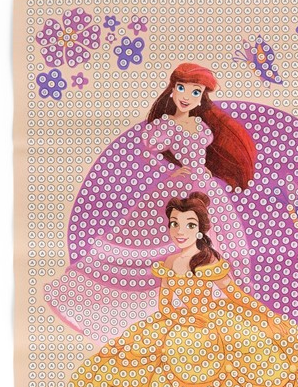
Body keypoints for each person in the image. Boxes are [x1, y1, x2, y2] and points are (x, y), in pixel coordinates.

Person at [68, 193, 298, 387]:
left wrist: (262, 313)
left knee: (243, 350)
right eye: (174, 223)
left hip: (213, 319)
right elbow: (165, 303)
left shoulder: (207, 260)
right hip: (179, 321)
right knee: (148, 350)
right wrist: (176, 318)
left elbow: (233, 294)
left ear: (200, 229)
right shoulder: (169, 261)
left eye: (188, 224)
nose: (179, 231)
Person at [45, 63, 257, 343]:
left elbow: (200, 154)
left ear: (202, 97)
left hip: (204, 186)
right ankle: (165, 304)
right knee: (161, 240)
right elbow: (147, 153)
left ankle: (211, 301)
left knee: (213, 239)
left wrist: (202, 170)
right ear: (172, 90)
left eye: (195, 91)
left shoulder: (202, 127)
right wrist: (172, 171)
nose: (186, 96)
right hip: (178, 186)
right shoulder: (165, 125)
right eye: (181, 88)